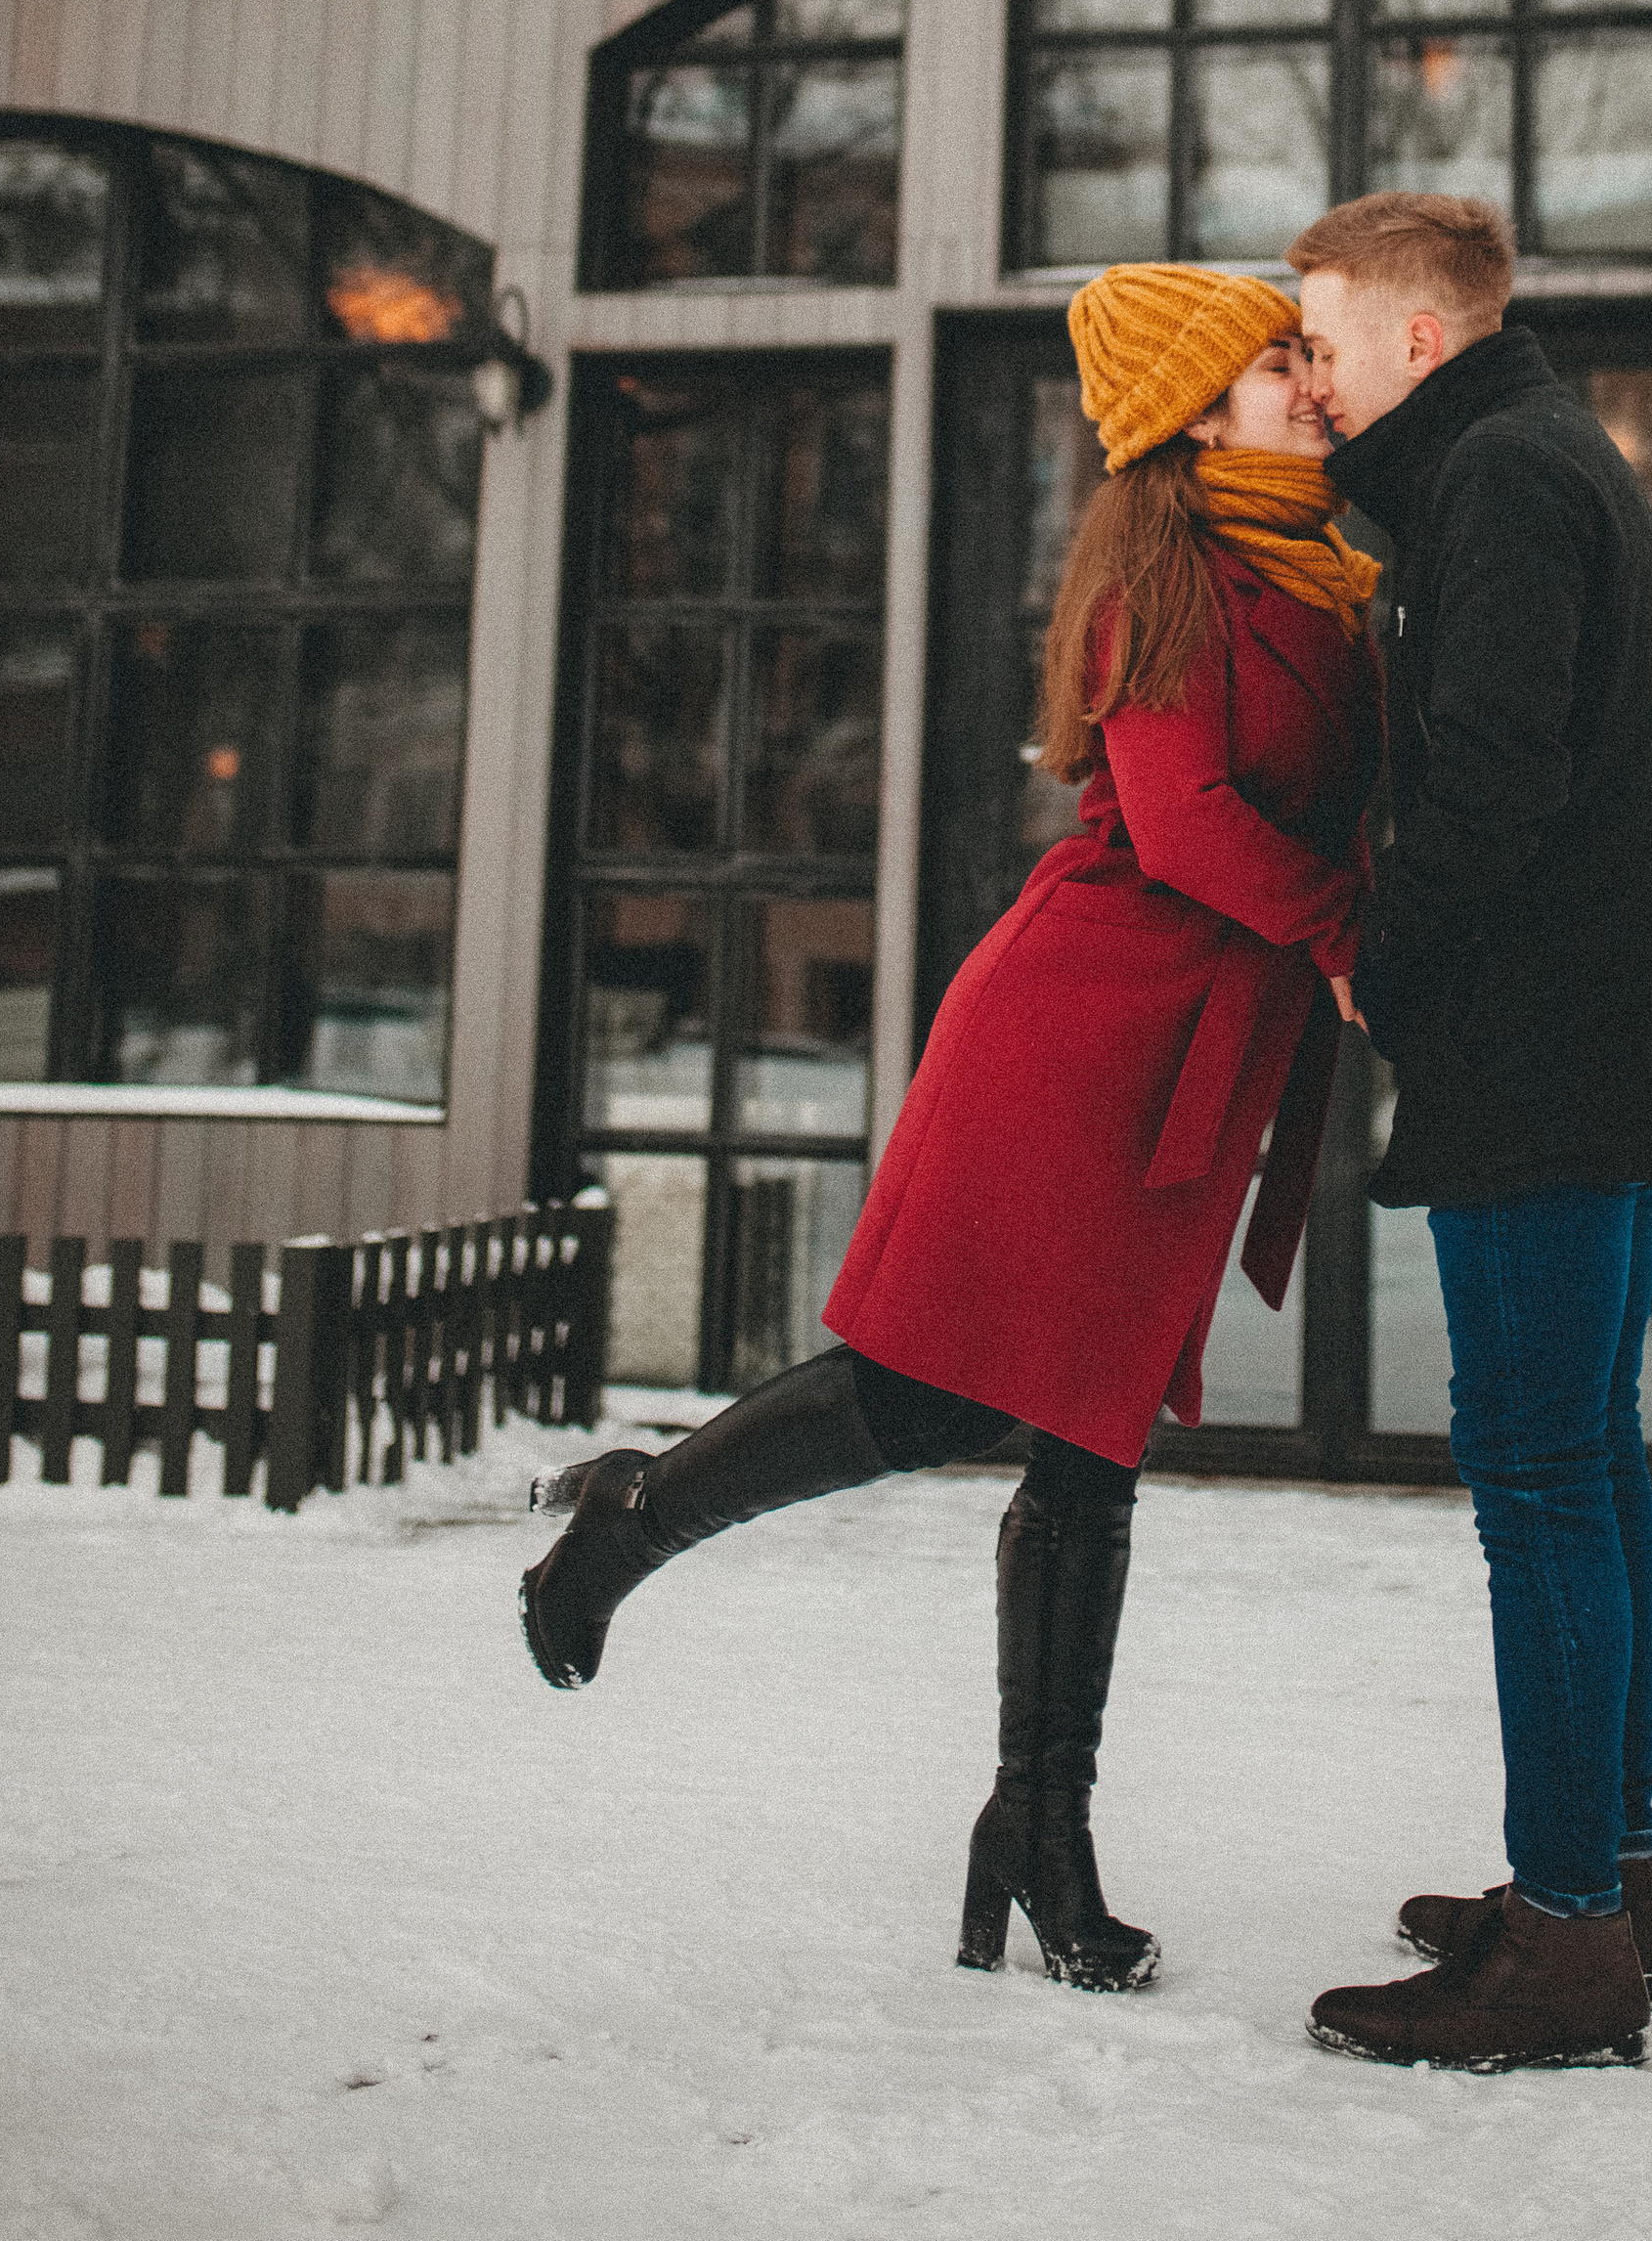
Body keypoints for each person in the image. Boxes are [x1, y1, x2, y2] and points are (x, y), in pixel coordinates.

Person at [518, 264, 1379, 1998]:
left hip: (1194, 1051)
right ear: (1199, 414)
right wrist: (1355, 938)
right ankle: (627, 1525)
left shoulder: (1327, 572)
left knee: (1093, 1449)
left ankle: (1036, 1829)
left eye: (1303, 353)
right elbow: (1191, 822)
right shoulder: (1169, 579)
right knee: (937, 1385)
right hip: (1084, 1030)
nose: (1310, 379)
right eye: (1279, 360)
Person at [1286, 190, 1652, 2077]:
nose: (1304, 371)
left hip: (1545, 1063)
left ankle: (1565, 1941)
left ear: (1414, 336)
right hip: (1595, 1054)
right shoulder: (1533, 463)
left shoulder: (1501, 484)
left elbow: (1492, 769)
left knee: (1542, 1481)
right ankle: (1601, 1886)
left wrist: (1384, 960)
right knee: (1587, 1476)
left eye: (1317, 336)